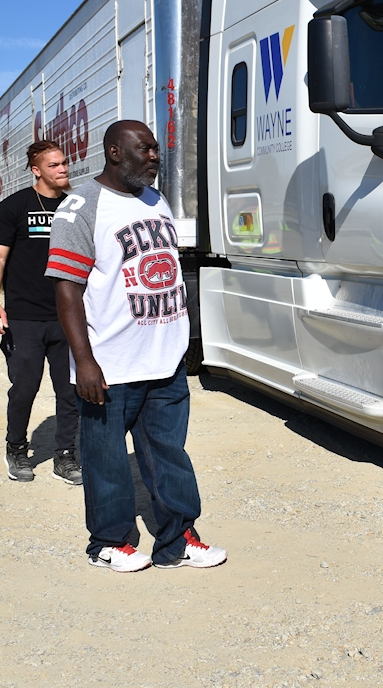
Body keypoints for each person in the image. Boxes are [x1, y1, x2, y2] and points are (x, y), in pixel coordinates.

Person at [47, 120, 226, 573]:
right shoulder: (81, 207)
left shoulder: (155, 198)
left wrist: (182, 340)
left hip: (163, 361)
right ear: (113, 152)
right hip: (109, 364)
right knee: (106, 461)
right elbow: (67, 290)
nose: (154, 157)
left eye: (156, 149)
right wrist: (83, 362)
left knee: (169, 454)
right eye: (144, 150)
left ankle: (177, 539)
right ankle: (108, 543)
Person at [0, 139, 82, 485]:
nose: (63, 169)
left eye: (64, 163)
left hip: (68, 315)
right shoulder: (15, 206)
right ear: (36, 170)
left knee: (70, 389)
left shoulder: (76, 207)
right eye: (54, 165)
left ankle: (65, 454)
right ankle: (16, 447)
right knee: (24, 388)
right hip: (25, 316)